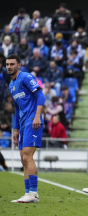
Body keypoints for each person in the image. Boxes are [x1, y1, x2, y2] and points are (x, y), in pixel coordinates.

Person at [7, 54, 45, 203]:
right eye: (7, 64)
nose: (9, 66)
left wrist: (37, 116)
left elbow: (40, 96)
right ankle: (28, 192)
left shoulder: (26, 77)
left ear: (19, 65)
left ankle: (34, 194)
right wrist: (16, 129)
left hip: (32, 121)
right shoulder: (11, 85)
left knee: (27, 157)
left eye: (12, 64)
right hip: (22, 124)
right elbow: (17, 108)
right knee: (23, 159)